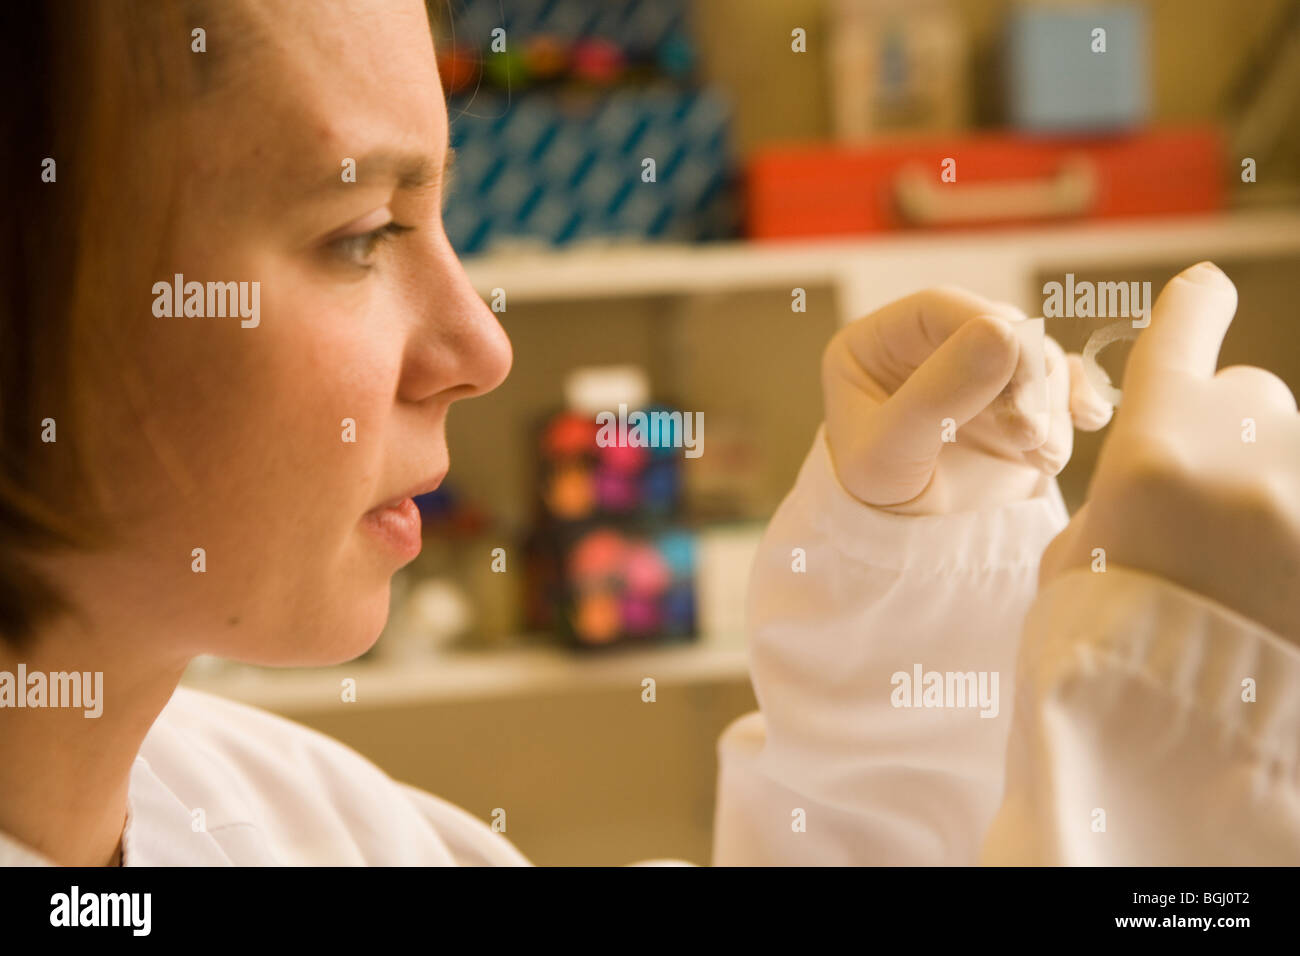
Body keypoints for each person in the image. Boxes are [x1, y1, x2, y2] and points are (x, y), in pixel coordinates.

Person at [1, 1, 1296, 867]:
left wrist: (912, 608)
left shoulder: (275, 821)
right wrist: (1178, 745)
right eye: (360, 235)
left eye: (438, 215)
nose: (480, 350)